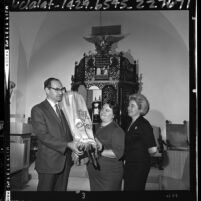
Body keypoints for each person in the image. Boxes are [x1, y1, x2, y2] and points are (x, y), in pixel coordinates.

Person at [31, 77, 83, 191]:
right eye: (57, 89)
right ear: (47, 90)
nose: (61, 92)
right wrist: (68, 145)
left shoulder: (62, 109)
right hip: (48, 163)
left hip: (65, 162)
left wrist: (74, 148)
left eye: (62, 89)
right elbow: (43, 136)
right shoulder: (38, 109)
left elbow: (67, 133)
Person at [87, 102, 125, 191]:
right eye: (103, 109)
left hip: (109, 175)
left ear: (113, 115)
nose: (103, 111)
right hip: (95, 172)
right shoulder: (96, 127)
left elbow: (118, 153)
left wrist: (100, 150)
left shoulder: (117, 131)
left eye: (107, 110)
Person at [123, 93, 157, 191]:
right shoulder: (130, 123)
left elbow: (153, 149)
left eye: (132, 106)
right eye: (129, 105)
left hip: (139, 167)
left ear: (140, 108)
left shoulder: (144, 124)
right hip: (130, 165)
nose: (129, 108)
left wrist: (140, 156)